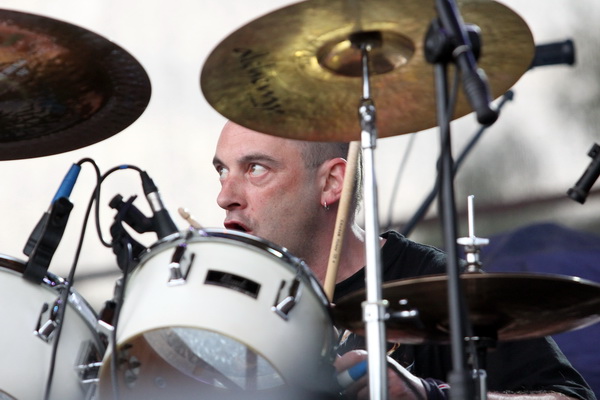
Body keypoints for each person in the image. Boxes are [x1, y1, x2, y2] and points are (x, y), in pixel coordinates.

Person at [211, 120, 596, 400]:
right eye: (222, 172)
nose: (225, 196)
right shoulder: (234, 305)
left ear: (331, 183)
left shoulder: (436, 284)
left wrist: (430, 395)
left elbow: (571, 398)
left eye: (255, 169)